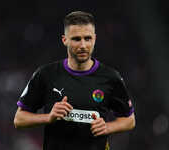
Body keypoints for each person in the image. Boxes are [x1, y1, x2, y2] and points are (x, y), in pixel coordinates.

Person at [14, 11, 136, 150]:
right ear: (64, 40)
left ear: (95, 39)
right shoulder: (46, 74)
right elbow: (19, 119)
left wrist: (108, 126)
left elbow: (129, 120)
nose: (83, 45)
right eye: (76, 39)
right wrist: (48, 117)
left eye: (87, 38)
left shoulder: (111, 77)